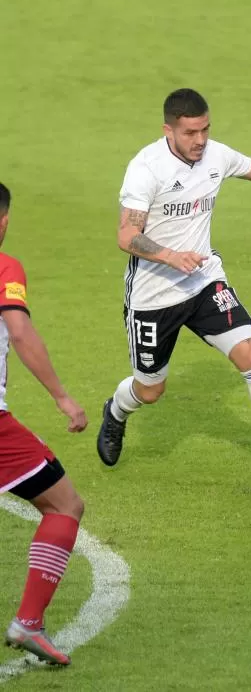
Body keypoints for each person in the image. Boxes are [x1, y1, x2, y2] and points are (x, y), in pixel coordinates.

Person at [96, 88, 251, 487]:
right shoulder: (146, 169)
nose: (200, 140)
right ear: (169, 130)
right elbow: (127, 235)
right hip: (154, 296)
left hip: (203, 281)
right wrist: (170, 255)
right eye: (190, 132)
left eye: (206, 129)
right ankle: (116, 412)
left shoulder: (215, 155)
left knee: (250, 353)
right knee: (150, 391)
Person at [0, 182, 88, 666]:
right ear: (4, 221)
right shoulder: (5, 267)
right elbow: (20, 331)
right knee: (65, 504)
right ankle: (28, 623)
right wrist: (62, 397)